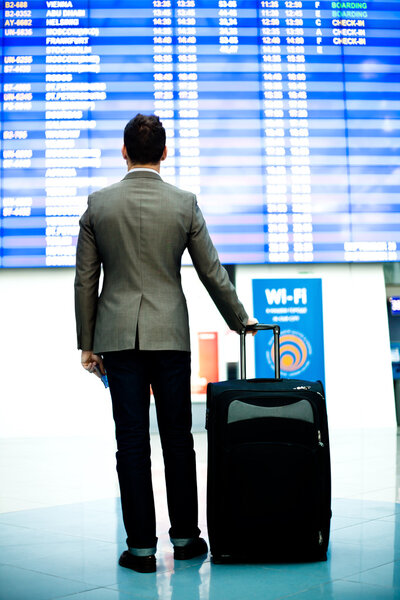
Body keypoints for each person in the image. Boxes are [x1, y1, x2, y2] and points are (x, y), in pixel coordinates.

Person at [74, 113, 256, 573]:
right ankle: (186, 538)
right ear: (165, 152)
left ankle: (140, 549)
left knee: (131, 442)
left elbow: (85, 281)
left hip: (116, 338)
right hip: (170, 336)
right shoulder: (184, 204)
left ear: (123, 152)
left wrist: (87, 343)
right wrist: (239, 321)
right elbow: (213, 272)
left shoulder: (98, 205)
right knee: (178, 438)